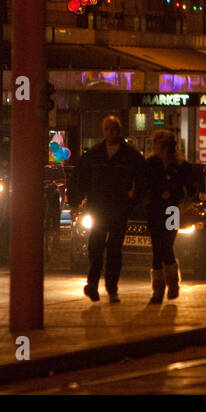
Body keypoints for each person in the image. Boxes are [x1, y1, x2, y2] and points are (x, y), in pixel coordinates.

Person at [69, 116, 144, 302]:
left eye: (115, 129)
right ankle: (93, 284)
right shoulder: (94, 155)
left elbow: (143, 178)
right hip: (99, 207)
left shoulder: (130, 156)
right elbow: (80, 178)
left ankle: (112, 289)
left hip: (119, 208)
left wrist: (133, 200)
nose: (112, 133)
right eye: (108, 129)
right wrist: (75, 202)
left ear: (120, 131)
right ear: (104, 131)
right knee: (95, 246)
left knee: (114, 250)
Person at [138, 129, 197, 303]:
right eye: (161, 146)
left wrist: (175, 192)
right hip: (155, 210)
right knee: (157, 246)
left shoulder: (181, 166)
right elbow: (144, 185)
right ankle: (159, 287)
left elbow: (190, 188)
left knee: (167, 244)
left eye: (168, 146)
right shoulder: (150, 165)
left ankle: (171, 281)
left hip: (173, 210)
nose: (164, 150)